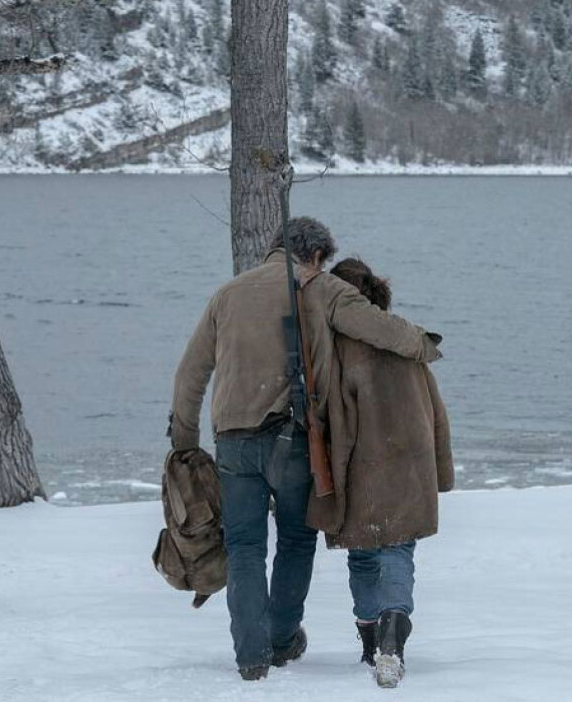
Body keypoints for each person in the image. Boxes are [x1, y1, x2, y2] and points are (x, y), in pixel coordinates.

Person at [169, 218, 442, 681]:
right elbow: (376, 327)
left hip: (233, 441)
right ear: (315, 256)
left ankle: (251, 656)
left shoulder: (227, 294)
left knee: (244, 545)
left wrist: (184, 443)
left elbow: (190, 374)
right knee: (295, 541)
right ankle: (281, 638)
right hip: (291, 437)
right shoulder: (315, 288)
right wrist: (423, 345)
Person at [313, 258, 454, 689]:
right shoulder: (408, 341)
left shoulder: (339, 350)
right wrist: (441, 472)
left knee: (363, 554)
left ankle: (371, 636)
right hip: (410, 463)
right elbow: (436, 413)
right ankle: (394, 631)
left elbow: (337, 419)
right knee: (398, 551)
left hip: (363, 466)